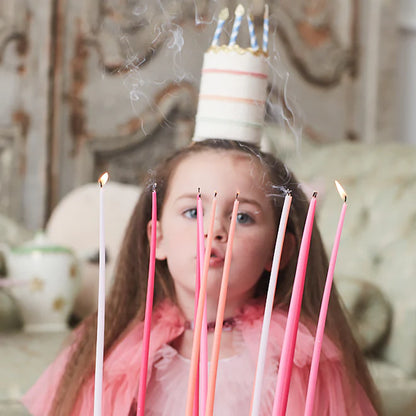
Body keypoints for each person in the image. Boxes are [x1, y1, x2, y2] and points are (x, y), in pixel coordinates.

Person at [23, 139, 382, 415]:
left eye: (243, 217)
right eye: (193, 212)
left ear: (281, 251)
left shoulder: (297, 359)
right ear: (157, 238)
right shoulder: (115, 351)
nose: (214, 230)